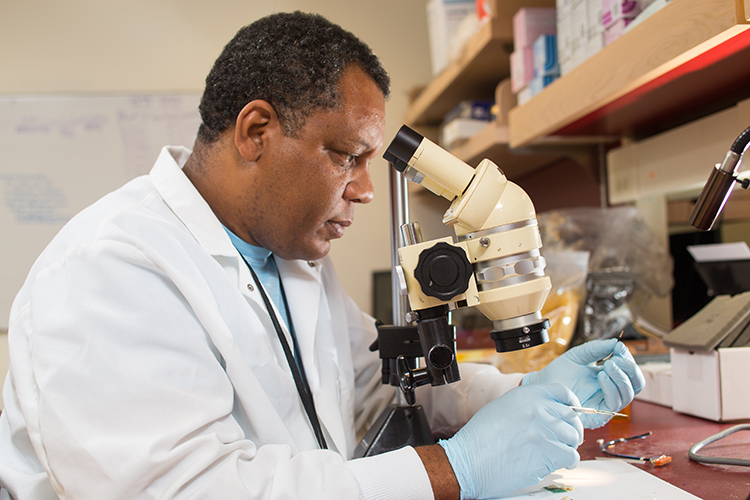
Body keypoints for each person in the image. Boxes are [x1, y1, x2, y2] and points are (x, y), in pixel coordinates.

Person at [0, 11, 644, 500]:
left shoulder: (289, 256)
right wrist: (459, 468)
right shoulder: (109, 271)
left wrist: (517, 396)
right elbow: (189, 490)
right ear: (257, 132)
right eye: (347, 156)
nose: (365, 190)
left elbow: (368, 383)